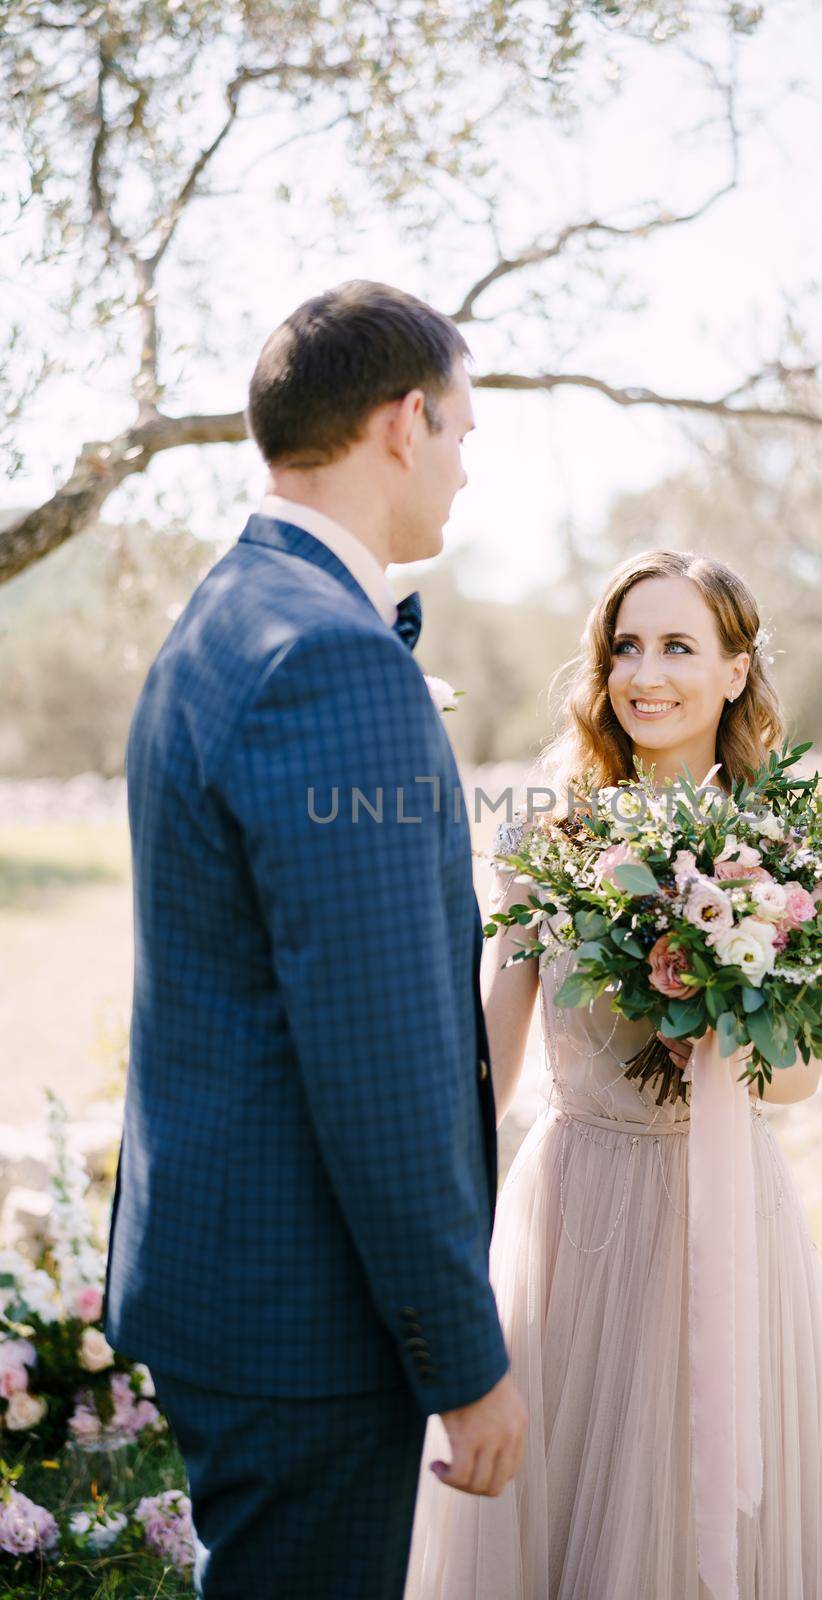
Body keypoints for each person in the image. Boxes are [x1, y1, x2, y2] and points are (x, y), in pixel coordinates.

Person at [104, 279, 527, 1600]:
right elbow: (380, 1057)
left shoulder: (221, 617)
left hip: (222, 1279)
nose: (463, 467)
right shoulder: (330, 661)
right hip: (304, 1321)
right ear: (402, 423)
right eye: (459, 430)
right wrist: (461, 1359)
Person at [404, 548, 822, 1599]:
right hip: (572, 1206)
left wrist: (720, 1033)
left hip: (719, 1204)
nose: (644, 673)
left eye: (677, 645)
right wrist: (427, 1209)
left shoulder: (787, 852)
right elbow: (493, 1054)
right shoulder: (548, 836)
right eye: (624, 646)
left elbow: (800, 1080)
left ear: (732, 670)